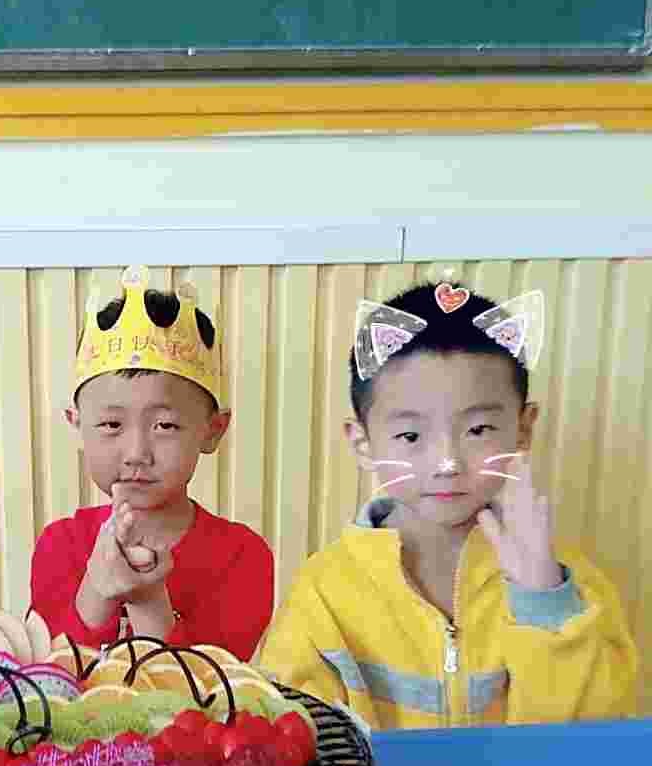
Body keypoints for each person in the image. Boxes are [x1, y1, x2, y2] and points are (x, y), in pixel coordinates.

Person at [261, 282, 638, 727]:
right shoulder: (324, 592)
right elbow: (290, 737)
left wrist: (542, 599)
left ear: (523, 429)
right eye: (410, 436)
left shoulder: (573, 590)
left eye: (478, 430)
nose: (447, 463)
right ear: (362, 443)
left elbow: (591, 747)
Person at [30, 268, 274, 661]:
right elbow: (49, 679)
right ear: (77, 425)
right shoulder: (60, 546)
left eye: (165, 426)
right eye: (111, 424)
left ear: (213, 430)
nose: (136, 453)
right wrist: (96, 589)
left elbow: (215, 687)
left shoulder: (243, 557)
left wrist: (149, 602)